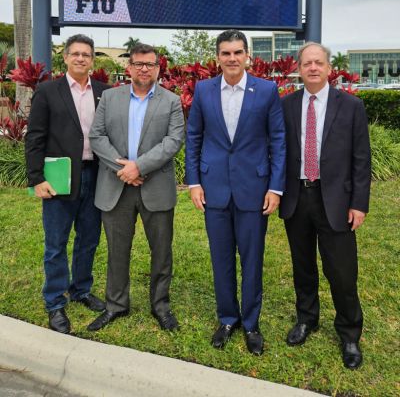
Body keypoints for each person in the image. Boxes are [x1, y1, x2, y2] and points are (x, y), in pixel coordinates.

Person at [185, 29, 286, 355]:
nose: (232, 58)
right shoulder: (203, 90)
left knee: (252, 259)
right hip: (214, 189)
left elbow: (278, 140)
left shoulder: (267, 90)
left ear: (247, 56)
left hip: (254, 190)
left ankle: (252, 323)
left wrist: (275, 187)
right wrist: (194, 182)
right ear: (218, 57)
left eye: (237, 52)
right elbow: (194, 137)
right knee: (221, 258)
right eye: (226, 53)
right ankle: (228, 318)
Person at [280, 42, 371, 369]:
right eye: (307, 63)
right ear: (300, 69)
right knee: (303, 266)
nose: (313, 68)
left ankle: (349, 333)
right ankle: (307, 318)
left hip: (336, 200)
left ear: (329, 68)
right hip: (297, 197)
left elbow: (361, 159)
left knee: (342, 272)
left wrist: (359, 203)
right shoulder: (287, 105)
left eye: (319, 62)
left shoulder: (351, 106)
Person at [87, 43, 184, 332]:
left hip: (155, 186)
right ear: (129, 67)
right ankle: (116, 304)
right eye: (139, 63)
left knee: (161, 251)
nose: (144, 68)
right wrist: (124, 169)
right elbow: (97, 136)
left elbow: (173, 141)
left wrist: (138, 166)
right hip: (116, 186)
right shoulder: (109, 97)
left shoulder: (171, 101)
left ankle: (161, 305)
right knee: (117, 249)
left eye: (150, 64)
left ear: (158, 67)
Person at [25, 34, 109, 334]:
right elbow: (34, 137)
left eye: (86, 54)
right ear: (66, 57)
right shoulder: (48, 92)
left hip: (96, 176)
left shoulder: (104, 92)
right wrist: (36, 178)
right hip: (59, 177)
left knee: (88, 240)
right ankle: (55, 302)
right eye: (75, 54)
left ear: (92, 60)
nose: (81, 59)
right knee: (56, 244)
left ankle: (81, 290)